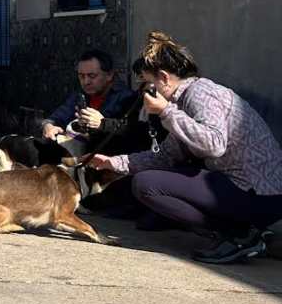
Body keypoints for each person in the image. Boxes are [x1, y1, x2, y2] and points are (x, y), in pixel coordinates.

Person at [90, 32, 282, 264]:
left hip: (260, 193)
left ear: (163, 78)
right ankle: (240, 232)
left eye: (145, 85)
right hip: (241, 189)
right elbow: (167, 156)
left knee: (147, 185)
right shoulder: (181, 101)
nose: (142, 93)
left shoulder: (200, 93)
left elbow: (214, 144)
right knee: (144, 182)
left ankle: (240, 234)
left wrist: (166, 112)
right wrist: (115, 162)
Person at [42, 48, 138, 140]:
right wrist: (48, 126)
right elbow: (56, 117)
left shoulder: (127, 98)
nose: (86, 81)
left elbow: (134, 132)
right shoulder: (80, 95)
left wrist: (103, 124)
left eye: (92, 76)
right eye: (81, 76)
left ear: (109, 75)